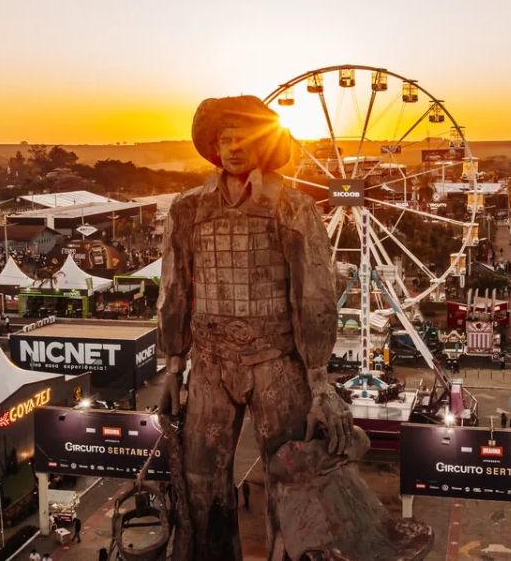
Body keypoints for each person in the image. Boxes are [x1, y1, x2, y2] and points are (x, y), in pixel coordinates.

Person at [158, 96, 399, 558]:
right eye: (224, 139)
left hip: (277, 363)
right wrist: (173, 367)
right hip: (208, 364)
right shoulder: (187, 209)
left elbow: (314, 296)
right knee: (200, 479)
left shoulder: (293, 207)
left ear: (265, 146)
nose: (232, 148)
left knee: (292, 481)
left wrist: (318, 381)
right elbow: (175, 291)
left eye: (243, 139)